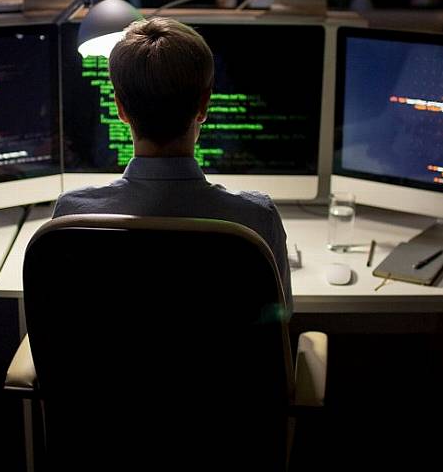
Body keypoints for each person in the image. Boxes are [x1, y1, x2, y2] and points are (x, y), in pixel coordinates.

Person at [52, 17, 293, 311]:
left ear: (120, 108)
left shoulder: (71, 217)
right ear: (203, 106)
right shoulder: (256, 221)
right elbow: (279, 323)